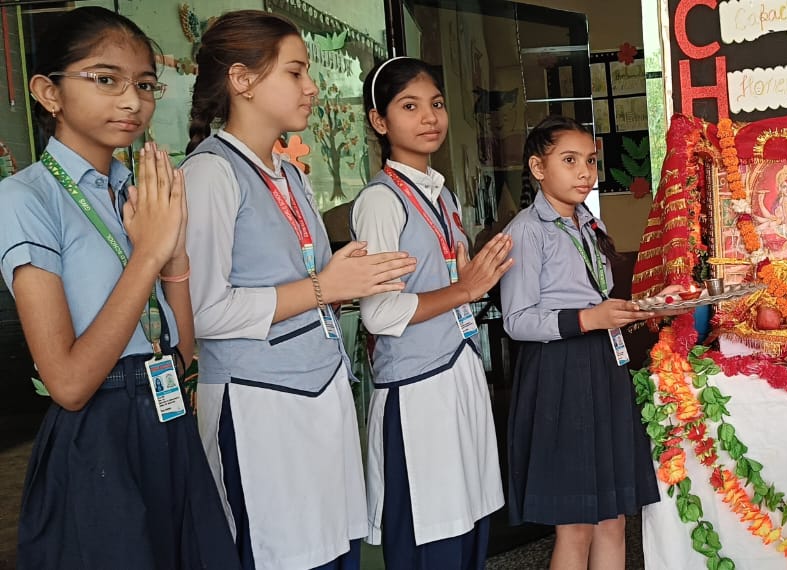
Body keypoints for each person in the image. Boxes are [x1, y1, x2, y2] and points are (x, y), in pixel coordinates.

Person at [0, 7, 238, 568]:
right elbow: (68, 383)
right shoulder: (25, 199)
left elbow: (181, 351)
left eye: (146, 84)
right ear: (47, 92)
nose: (133, 101)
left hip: (166, 409)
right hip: (98, 433)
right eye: (106, 80)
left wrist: (173, 256)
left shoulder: (138, 190)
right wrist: (150, 252)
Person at [181, 10, 417, 570]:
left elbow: (304, 283)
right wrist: (323, 286)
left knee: (334, 551)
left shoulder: (288, 174)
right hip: (258, 406)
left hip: (319, 396)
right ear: (241, 80)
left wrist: (343, 281)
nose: (311, 87)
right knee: (280, 555)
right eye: (295, 72)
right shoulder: (210, 173)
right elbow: (202, 310)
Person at [352, 56, 510, 569]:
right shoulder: (381, 201)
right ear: (380, 121)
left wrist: (472, 281)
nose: (430, 117)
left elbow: (454, 286)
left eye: (437, 104)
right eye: (410, 106)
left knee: (469, 525)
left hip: (456, 373)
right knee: (432, 537)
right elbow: (379, 313)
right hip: (417, 393)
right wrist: (464, 289)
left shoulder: (441, 196)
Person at [501, 115, 662, 570]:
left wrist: (631, 308)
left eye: (590, 161)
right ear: (537, 168)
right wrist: (589, 318)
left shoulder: (588, 223)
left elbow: (597, 294)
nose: (584, 172)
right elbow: (516, 320)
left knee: (612, 518)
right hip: (560, 375)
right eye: (569, 161)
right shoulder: (527, 232)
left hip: (602, 368)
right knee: (575, 525)